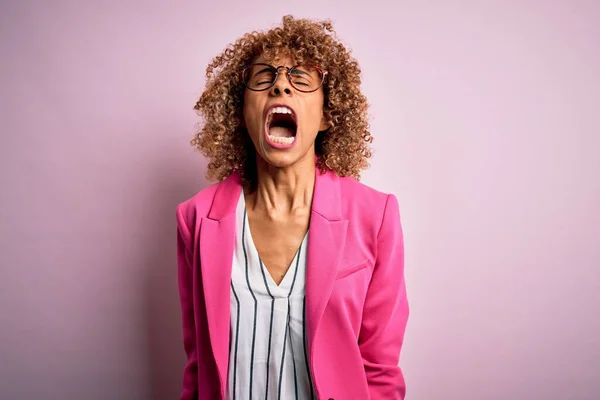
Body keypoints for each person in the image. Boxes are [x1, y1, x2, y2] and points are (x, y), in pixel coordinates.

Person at [176, 15, 409, 400]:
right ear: (239, 112)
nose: (281, 84)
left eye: (300, 80)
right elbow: (197, 366)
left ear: (327, 114)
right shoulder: (196, 219)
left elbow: (380, 372)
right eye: (264, 78)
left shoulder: (376, 216)